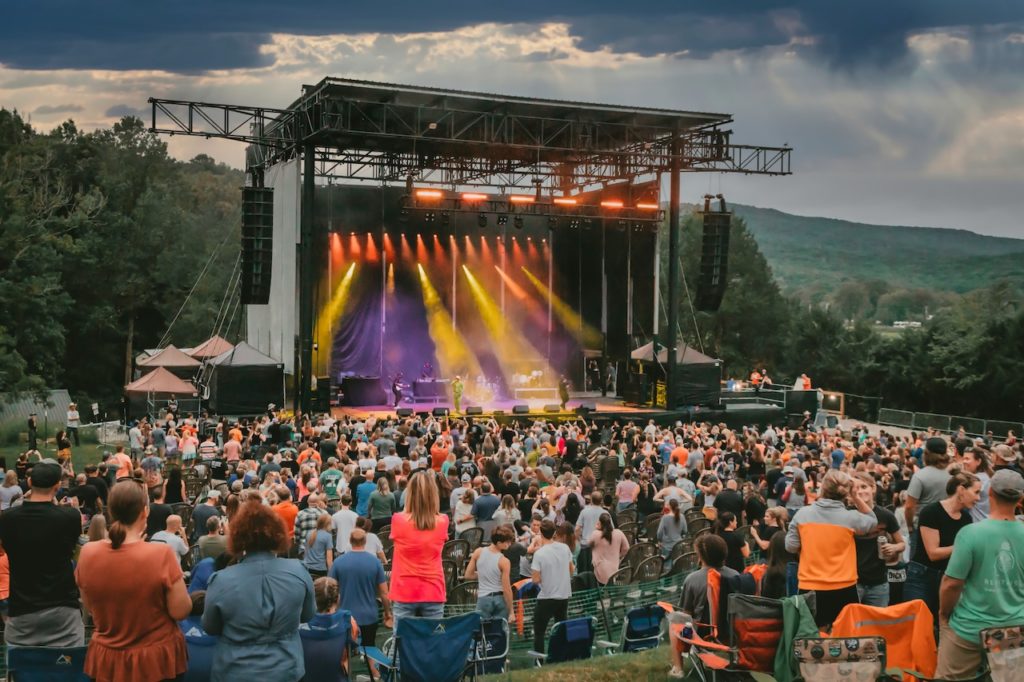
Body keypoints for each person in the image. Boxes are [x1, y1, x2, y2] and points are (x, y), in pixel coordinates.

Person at [76, 480, 191, 682]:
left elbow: (91, 608)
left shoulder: (88, 553)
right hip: (156, 662)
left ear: (111, 511)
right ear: (144, 511)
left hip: (108, 662)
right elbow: (180, 611)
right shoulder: (161, 553)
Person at [203, 499, 316, 681]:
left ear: (239, 536)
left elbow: (210, 627)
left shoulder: (221, 580)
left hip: (235, 671)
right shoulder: (299, 571)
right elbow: (308, 615)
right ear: (277, 534)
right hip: (286, 668)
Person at [936, 470, 1024, 680]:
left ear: (990, 492)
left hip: (969, 628)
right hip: (1014, 629)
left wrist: (943, 613)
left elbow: (952, 584)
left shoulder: (970, 533)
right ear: (1020, 499)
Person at [0, 460, 84, 647]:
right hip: (63, 608)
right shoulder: (70, 517)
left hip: (22, 609)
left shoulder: (7, 519)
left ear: (29, 483)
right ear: (57, 486)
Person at [785, 470, 877, 628]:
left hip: (810, 585)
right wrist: (856, 497)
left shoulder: (802, 515)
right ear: (845, 492)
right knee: (845, 637)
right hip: (844, 586)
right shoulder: (851, 518)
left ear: (822, 489)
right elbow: (872, 521)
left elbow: (791, 547)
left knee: (812, 637)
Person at [904, 471, 979, 621]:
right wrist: (964, 546)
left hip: (948, 577)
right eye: (976, 492)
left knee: (943, 625)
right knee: (917, 624)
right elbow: (933, 553)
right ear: (961, 490)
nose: (978, 498)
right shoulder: (931, 512)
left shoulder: (966, 517)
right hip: (922, 577)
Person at [388, 469, 450, 623]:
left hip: (404, 590)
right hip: (433, 590)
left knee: (402, 643)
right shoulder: (443, 521)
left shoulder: (398, 520)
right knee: (434, 644)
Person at [329, 528, 392, 648]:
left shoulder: (338, 563)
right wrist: (388, 612)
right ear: (365, 541)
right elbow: (384, 592)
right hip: (369, 615)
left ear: (350, 541)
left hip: (345, 616)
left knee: (345, 652)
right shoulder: (375, 562)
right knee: (370, 649)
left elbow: (331, 591)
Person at [852, 472, 904, 608]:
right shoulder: (847, 514)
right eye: (856, 488)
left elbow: (902, 544)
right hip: (852, 582)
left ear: (873, 488)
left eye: (864, 487)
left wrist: (894, 548)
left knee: (878, 624)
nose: (860, 491)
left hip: (878, 582)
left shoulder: (886, 515)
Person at [531, 519, 574, 654]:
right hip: (563, 595)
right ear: (555, 532)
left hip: (547, 597)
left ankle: (539, 661)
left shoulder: (539, 554)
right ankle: (561, 656)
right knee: (561, 628)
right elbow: (571, 570)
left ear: (540, 533)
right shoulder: (565, 548)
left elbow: (535, 580)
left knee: (539, 632)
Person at [904, 437, 952, 539]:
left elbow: (909, 506)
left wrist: (909, 525)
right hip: (945, 524)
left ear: (926, 454)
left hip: (922, 526)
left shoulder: (920, 476)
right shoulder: (952, 475)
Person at [464, 524, 515, 621]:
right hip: (499, 599)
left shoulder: (478, 552)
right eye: (507, 542)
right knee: (499, 633)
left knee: (481, 631)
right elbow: (507, 588)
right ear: (499, 543)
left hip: (483, 599)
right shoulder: (504, 561)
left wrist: (484, 574)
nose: (509, 544)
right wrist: (511, 611)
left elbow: (468, 575)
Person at [589, 512, 629, 584]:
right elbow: (626, 548)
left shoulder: (596, 534)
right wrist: (618, 556)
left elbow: (589, 544)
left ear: (600, 523)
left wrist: (596, 528)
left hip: (600, 572)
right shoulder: (618, 533)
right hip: (615, 571)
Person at [302, 514, 335, 578]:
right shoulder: (328, 536)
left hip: (307, 568)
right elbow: (329, 559)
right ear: (327, 524)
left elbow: (306, 552)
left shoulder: (309, 533)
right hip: (320, 569)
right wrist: (331, 574)